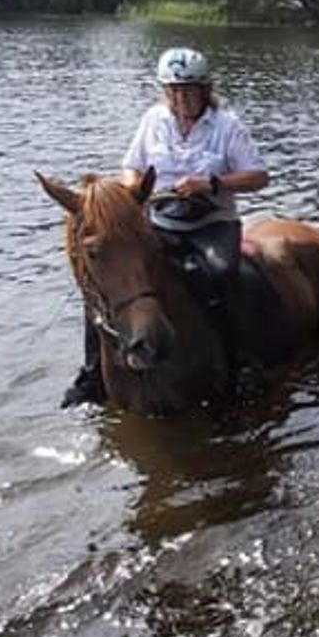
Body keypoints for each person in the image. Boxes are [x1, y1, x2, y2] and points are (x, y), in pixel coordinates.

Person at [62, 47, 270, 407]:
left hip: (211, 223)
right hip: (160, 221)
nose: (181, 97)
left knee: (222, 273)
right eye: (174, 90)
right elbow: (132, 166)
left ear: (205, 89)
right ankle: (93, 372)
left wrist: (212, 184)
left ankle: (242, 364)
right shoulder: (153, 120)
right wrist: (131, 193)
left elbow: (258, 177)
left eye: (189, 89)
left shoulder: (226, 125)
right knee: (103, 283)